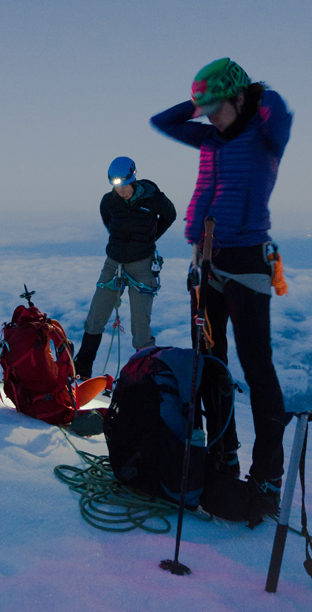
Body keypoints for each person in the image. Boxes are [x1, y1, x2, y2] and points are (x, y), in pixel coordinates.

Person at [150, 57, 292, 519]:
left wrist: (251, 94)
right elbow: (162, 121)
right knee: (211, 363)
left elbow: (278, 111)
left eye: (217, 107)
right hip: (206, 260)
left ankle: (267, 476)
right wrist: (200, 104)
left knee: (257, 368)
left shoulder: (264, 135)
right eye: (204, 109)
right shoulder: (209, 136)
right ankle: (222, 453)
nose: (210, 117)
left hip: (247, 260)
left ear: (239, 98)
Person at [74, 157, 177, 379]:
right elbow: (109, 223)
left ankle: (143, 378)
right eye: (117, 186)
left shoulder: (153, 198)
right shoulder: (108, 201)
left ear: (133, 179)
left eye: (125, 185)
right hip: (113, 263)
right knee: (95, 317)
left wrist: (150, 238)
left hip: (142, 265)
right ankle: (81, 371)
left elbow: (170, 216)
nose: (121, 190)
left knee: (141, 330)